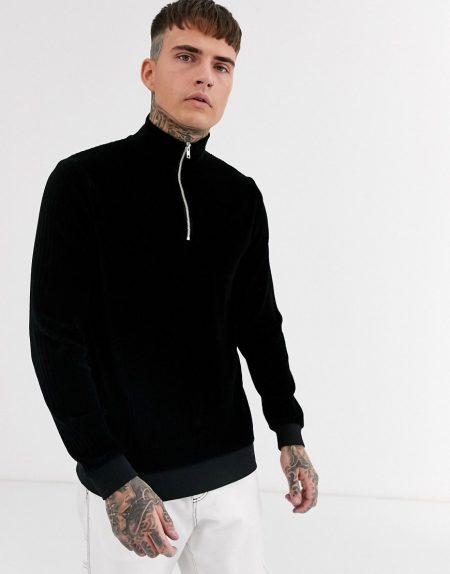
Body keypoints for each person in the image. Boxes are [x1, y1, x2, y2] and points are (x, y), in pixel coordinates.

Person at [28, 0, 319, 572]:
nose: (206, 75)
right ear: (150, 71)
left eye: (222, 65)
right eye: (187, 56)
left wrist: (289, 431)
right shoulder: (82, 183)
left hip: (233, 479)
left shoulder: (240, 196)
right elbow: (56, 339)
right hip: (133, 485)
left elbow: (259, 323)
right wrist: (110, 472)